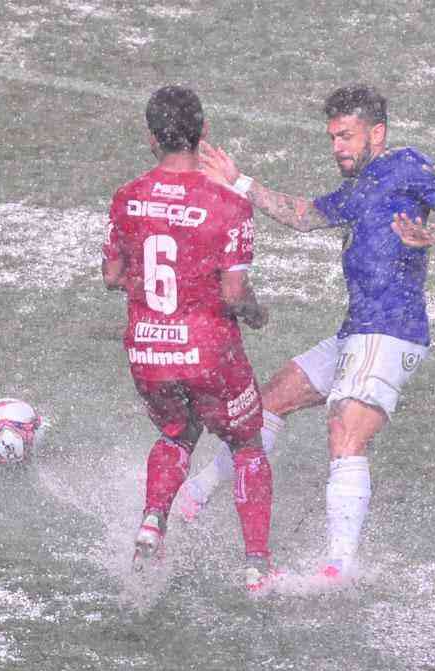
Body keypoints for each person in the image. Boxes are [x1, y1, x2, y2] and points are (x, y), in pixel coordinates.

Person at [181, 83, 435, 582]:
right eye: (332, 137)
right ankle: (195, 496)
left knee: (344, 428)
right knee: (270, 399)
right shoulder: (358, 187)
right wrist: (240, 183)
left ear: (376, 133)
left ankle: (340, 565)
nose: (337, 146)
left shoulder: (406, 164)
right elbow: (305, 217)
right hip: (356, 333)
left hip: (390, 332)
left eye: (346, 136)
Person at [101, 85, 277, 593]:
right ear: (202, 134)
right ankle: (257, 566)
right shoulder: (228, 204)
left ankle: (152, 521)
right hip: (208, 351)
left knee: (177, 433)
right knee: (247, 444)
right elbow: (234, 290)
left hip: (148, 350)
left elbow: (113, 275)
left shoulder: (127, 197)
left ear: (150, 138)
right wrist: (256, 314)